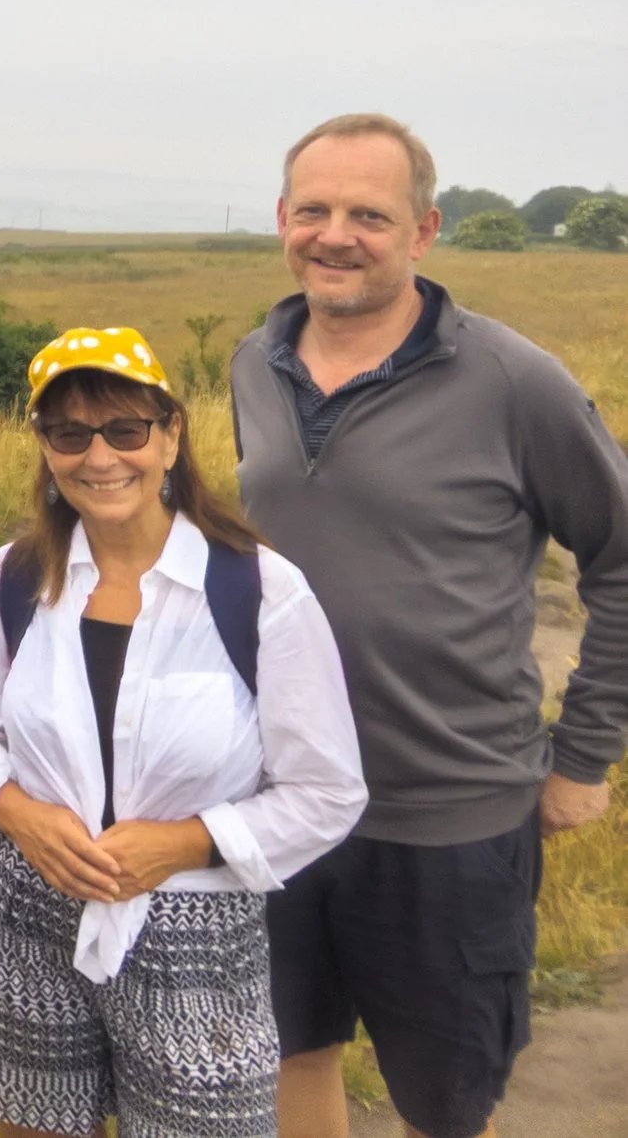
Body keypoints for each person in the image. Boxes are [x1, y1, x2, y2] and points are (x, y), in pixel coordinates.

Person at [234, 114, 628, 1138]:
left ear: (422, 230)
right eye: (313, 210)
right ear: (281, 219)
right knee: (286, 1049)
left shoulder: (511, 381)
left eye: (369, 214)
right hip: (273, 801)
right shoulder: (251, 364)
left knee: (444, 1102)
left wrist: (583, 755)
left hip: (449, 813)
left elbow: (621, 561)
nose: (336, 234)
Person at [0, 326, 366, 1138]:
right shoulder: (16, 577)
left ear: (170, 435)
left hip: (196, 934)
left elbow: (328, 790)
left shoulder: (259, 589)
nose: (100, 456)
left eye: (126, 429)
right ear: (45, 447)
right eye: (70, 432)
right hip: (24, 910)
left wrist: (189, 841)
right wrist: (20, 813)